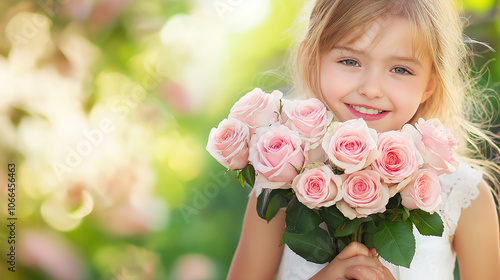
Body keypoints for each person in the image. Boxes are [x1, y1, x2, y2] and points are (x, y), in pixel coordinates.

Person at [227, 0, 500, 279]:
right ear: (313, 59)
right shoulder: (282, 183)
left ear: (430, 82)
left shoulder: (464, 195)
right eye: (350, 61)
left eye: (400, 69)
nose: (371, 89)